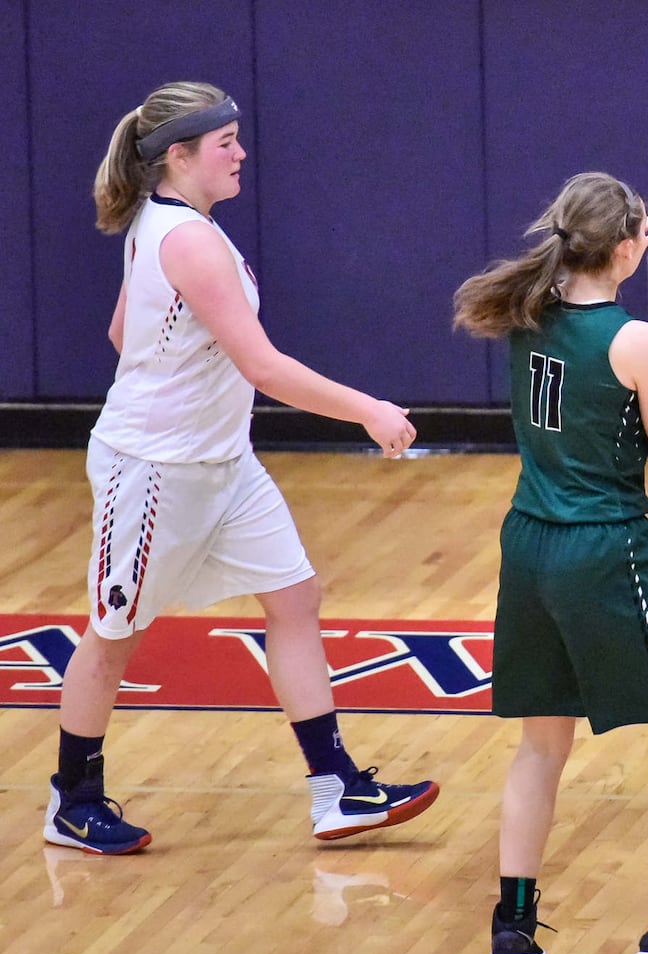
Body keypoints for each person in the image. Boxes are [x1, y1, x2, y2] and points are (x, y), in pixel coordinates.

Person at [46, 81, 440, 856]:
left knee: (295, 596)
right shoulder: (187, 239)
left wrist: (184, 376)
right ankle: (72, 800)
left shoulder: (174, 225)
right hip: (155, 470)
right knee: (115, 633)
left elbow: (126, 331)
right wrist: (366, 407)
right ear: (179, 155)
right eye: (225, 143)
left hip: (222, 459)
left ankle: (336, 790)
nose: (241, 153)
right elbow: (261, 366)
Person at [453, 172, 648, 954]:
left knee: (541, 744)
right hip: (607, 550)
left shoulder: (526, 309)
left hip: (529, 545)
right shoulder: (638, 342)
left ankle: (512, 924)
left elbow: (576, 279)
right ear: (620, 249)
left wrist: (617, 249)